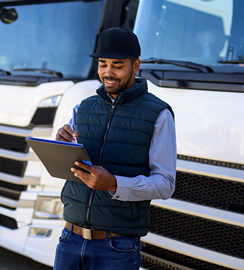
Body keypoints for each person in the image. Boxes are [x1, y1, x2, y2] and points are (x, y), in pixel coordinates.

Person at [53, 27, 176, 270]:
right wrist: (62, 147)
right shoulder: (83, 108)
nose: (108, 73)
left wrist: (114, 184)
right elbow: (71, 169)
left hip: (117, 248)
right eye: (102, 64)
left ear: (136, 65)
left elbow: (165, 184)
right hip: (69, 239)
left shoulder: (159, 114)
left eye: (117, 65)